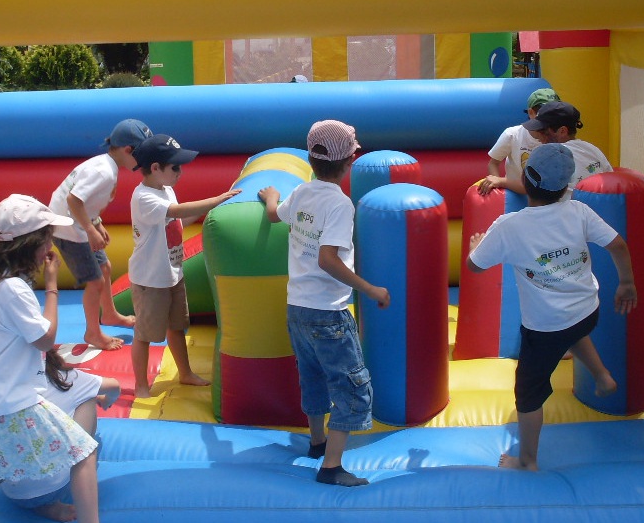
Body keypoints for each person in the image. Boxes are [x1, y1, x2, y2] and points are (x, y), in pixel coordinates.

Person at [466, 143, 637, 472]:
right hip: (588, 310)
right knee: (573, 330)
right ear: (566, 186)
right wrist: (627, 284)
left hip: (545, 328)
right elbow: (618, 244)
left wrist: (477, 245)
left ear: (525, 181)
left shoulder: (509, 225)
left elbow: (474, 267)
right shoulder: (579, 211)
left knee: (527, 394)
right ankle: (602, 377)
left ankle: (527, 460)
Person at [258, 120, 390, 487]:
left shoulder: (301, 192)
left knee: (312, 376)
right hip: (328, 312)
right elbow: (328, 259)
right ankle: (331, 467)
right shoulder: (340, 203)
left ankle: (317, 442)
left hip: (297, 307)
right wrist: (371, 289)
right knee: (351, 386)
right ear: (351, 160)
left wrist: (269, 195)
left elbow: (274, 214)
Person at [0, 194, 100, 523]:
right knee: (84, 452)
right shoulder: (15, 289)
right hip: (15, 401)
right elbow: (45, 340)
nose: (51, 243)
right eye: (47, 236)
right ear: (32, 243)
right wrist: (52, 287)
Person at [128, 133, 242, 398]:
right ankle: (141, 385)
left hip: (172, 272)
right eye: (175, 167)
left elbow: (179, 220)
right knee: (144, 334)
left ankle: (186, 373)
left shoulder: (164, 188)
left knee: (177, 327)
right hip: (150, 279)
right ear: (155, 168)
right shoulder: (143, 197)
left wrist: (211, 211)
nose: (180, 172)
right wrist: (217, 199)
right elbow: (176, 212)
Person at [0, 349, 120, 522]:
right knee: (88, 398)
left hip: (16, 495)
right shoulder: (70, 379)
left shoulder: (2, 393)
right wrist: (106, 400)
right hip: (57, 488)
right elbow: (114, 386)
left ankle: (39, 504)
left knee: (9, 435)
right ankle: (69, 508)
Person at [49, 118, 152, 351]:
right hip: (67, 228)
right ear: (128, 150)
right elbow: (73, 199)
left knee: (104, 269)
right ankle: (93, 332)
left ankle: (110, 315)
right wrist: (89, 229)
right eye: (141, 153)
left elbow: (87, 201)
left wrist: (97, 222)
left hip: (77, 221)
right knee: (95, 281)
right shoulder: (104, 172)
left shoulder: (107, 165)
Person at [478, 87, 560, 196]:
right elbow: (493, 163)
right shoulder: (513, 134)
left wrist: (501, 181)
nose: (550, 119)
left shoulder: (558, 137)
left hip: (543, 196)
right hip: (515, 194)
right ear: (531, 112)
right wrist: (496, 186)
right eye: (545, 113)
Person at [521, 101, 612, 196]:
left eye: (543, 131)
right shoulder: (593, 150)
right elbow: (610, 182)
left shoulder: (550, 156)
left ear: (562, 131)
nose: (539, 137)